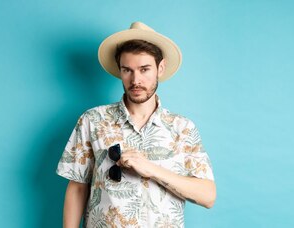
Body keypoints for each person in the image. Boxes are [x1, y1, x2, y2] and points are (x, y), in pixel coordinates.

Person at [56, 21, 216, 228]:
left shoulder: (182, 128)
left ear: (161, 68)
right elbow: (77, 187)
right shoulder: (92, 120)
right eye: (127, 70)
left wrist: (151, 169)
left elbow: (208, 196)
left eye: (144, 69)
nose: (135, 80)